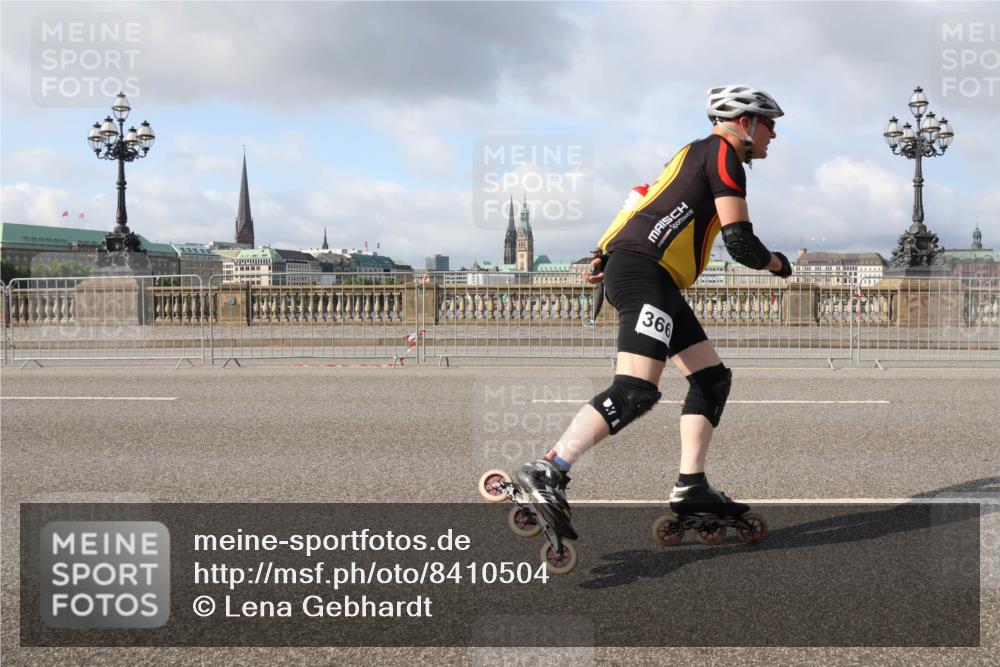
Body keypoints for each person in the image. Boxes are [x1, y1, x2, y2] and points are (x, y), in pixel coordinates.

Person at [515, 85, 793, 540]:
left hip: (652, 275)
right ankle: (549, 469)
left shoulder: (690, 154)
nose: (773, 136)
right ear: (746, 123)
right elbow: (740, 242)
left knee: (711, 378)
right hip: (647, 274)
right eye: (770, 125)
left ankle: (691, 486)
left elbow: (642, 198)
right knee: (637, 390)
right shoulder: (722, 154)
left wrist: (605, 252)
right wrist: (779, 265)